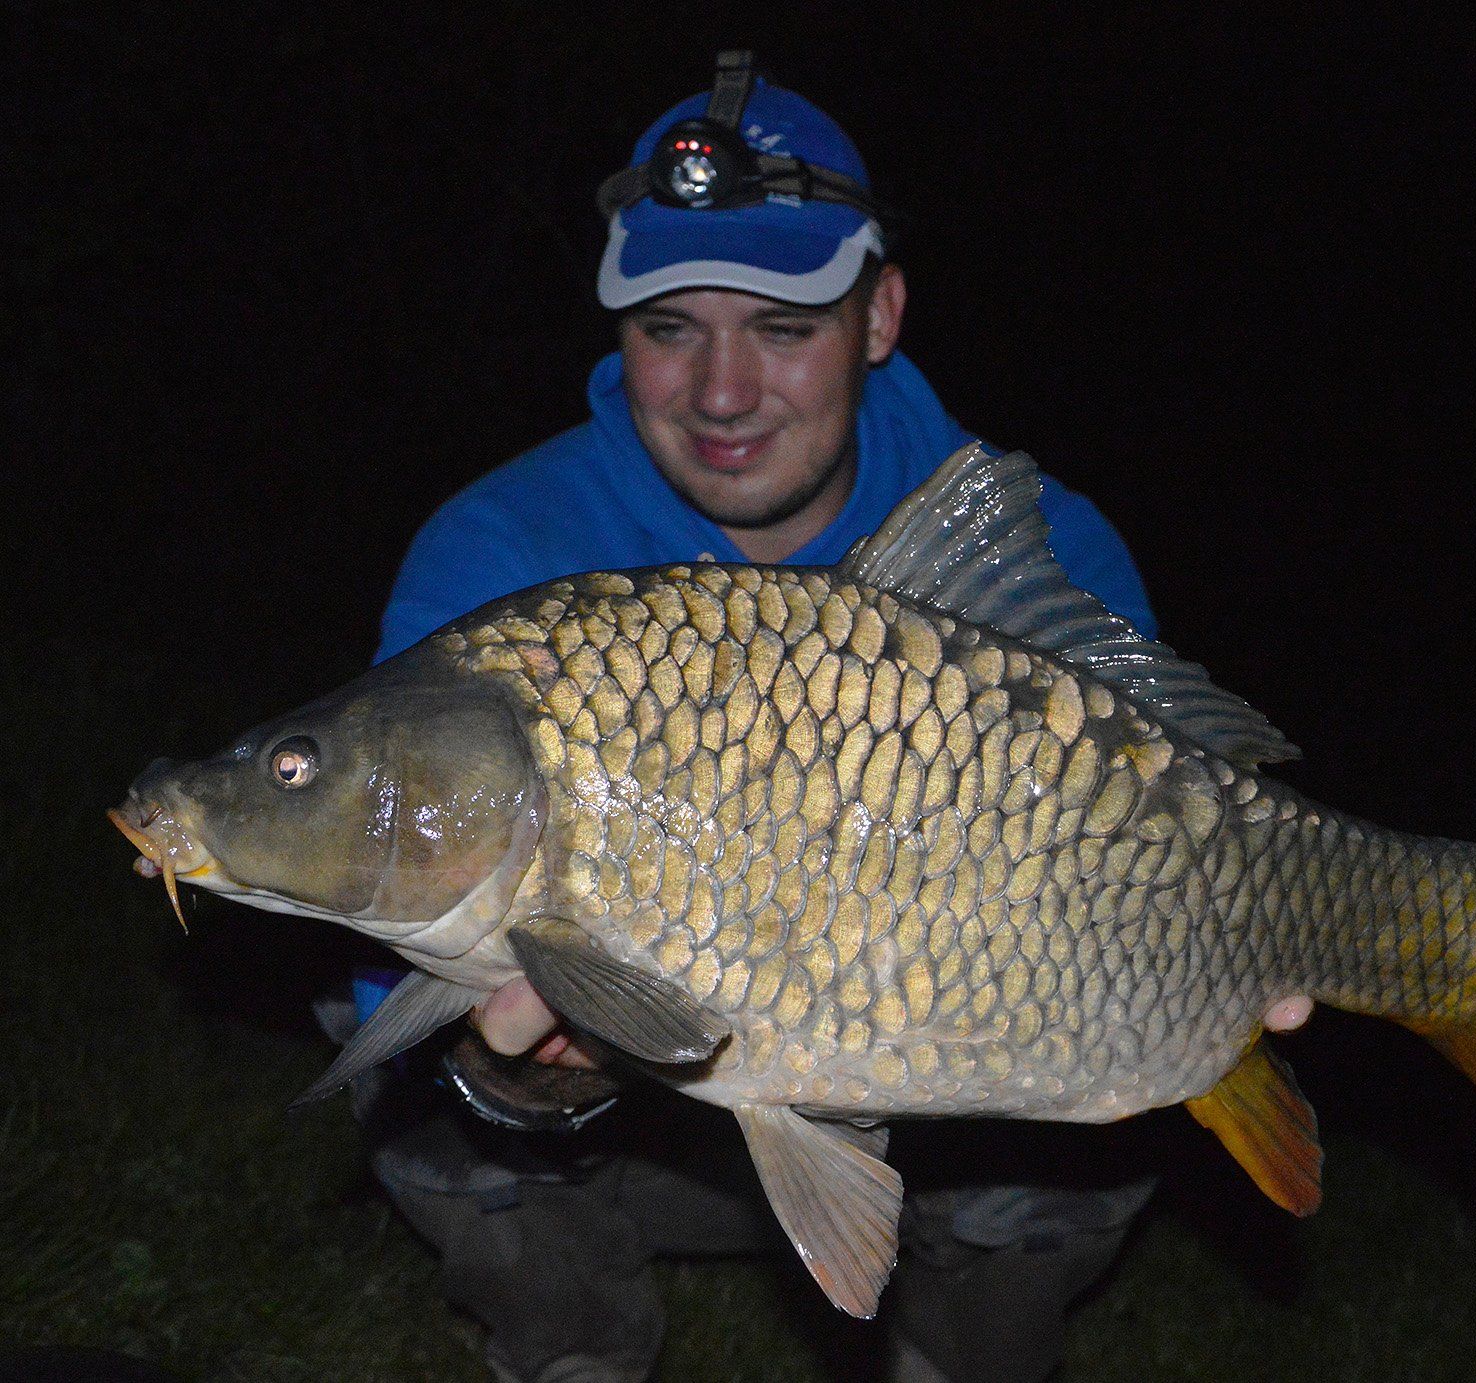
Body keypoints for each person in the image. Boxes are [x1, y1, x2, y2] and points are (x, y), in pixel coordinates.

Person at [352, 55, 1313, 1383]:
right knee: (409, 1083)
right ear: (611, 329)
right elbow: (391, 977)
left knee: (1089, 1129)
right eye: (669, 329)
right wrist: (534, 1077)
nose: (724, 393)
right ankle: (572, 1353)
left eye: (784, 328)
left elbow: (1203, 816)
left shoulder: (1039, 551)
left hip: (955, 1105)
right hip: (632, 1136)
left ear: (879, 316)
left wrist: (1224, 958)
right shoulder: (501, 555)